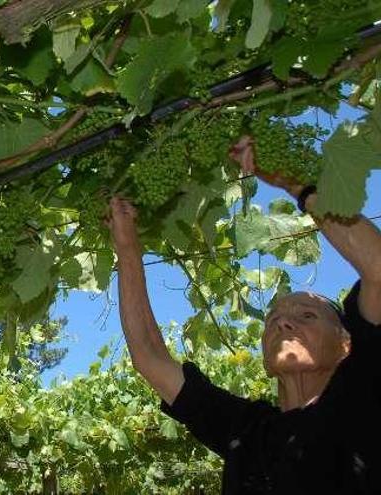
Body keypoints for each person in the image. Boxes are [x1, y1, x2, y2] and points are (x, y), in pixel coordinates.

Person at [107, 135, 381, 494]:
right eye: (272, 319)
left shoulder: (364, 396)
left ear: (346, 344)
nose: (283, 321)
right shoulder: (246, 430)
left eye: (308, 316)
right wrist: (127, 247)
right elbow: (149, 356)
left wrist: (295, 183)